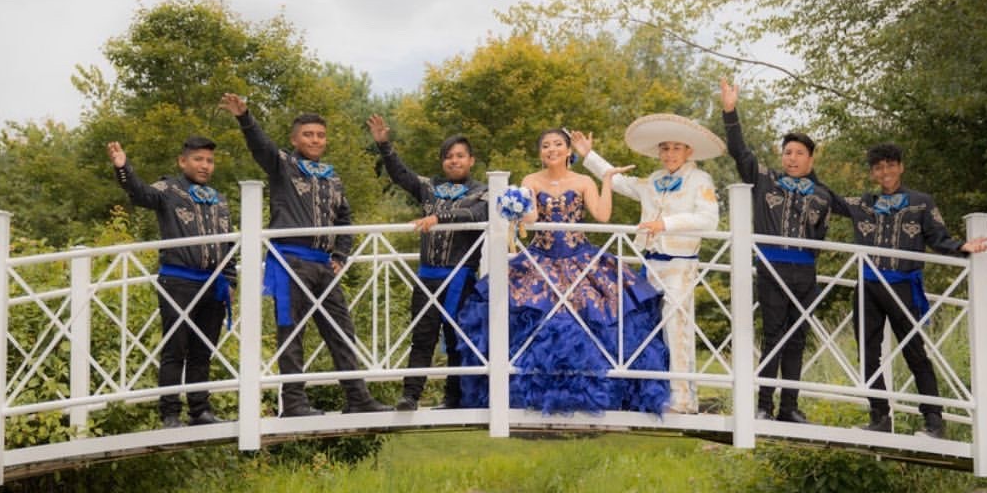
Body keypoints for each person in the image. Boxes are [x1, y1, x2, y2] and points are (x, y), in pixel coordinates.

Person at [455, 127, 671, 415]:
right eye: (546, 145)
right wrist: (515, 206)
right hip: (540, 259)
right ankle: (525, 393)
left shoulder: (583, 181)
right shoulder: (531, 180)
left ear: (569, 151)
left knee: (598, 316)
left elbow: (602, 215)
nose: (552, 149)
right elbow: (531, 220)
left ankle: (597, 392)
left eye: (558, 144)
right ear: (540, 153)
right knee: (517, 312)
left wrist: (606, 180)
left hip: (579, 258)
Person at [219, 92, 392, 416]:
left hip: (323, 264)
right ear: (294, 139)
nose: (315, 139)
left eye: (320, 135)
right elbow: (261, 147)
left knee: (341, 329)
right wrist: (245, 118)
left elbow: (344, 217)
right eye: (308, 134)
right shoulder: (283, 164)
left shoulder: (332, 177)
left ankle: (357, 397)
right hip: (289, 261)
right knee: (292, 328)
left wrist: (341, 254)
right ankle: (295, 403)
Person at [828, 142, 987, 438]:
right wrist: (804, 168)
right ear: (872, 173)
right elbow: (829, 199)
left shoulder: (921, 202)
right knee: (868, 354)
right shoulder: (863, 204)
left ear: (901, 167)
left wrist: (962, 247)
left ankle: (933, 421)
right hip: (868, 287)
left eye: (891, 165)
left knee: (915, 353)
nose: (886, 171)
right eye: (879, 167)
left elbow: (938, 237)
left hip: (903, 286)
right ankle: (880, 417)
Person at [571, 114, 724, 414]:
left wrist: (665, 223)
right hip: (650, 264)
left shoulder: (699, 180)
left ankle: (683, 398)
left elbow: (709, 220)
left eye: (676, 148)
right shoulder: (654, 180)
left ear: (688, 151)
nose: (669, 154)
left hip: (680, 263)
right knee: (648, 328)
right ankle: (652, 395)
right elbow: (621, 184)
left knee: (676, 327)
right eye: (664, 148)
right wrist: (589, 156)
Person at [720, 78, 834, 423]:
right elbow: (740, 152)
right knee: (774, 335)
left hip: (805, 272)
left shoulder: (823, 194)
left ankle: (790, 407)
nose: (792, 158)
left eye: (799, 153)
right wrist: (730, 111)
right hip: (771, 266)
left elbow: (827, 232)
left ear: (811, 158)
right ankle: (764, 405)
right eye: (788, 152)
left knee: (798, 338)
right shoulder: (765, 178)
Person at [107, 137, 235, 428]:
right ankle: (170, 414)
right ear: (183, 161)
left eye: (209, 161)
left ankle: (200, 411)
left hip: (213, 284)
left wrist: (230, 280)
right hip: (179, 280)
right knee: (176, 348)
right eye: (198, 159)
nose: (204, 165)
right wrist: (122, 167)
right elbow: (141, 195)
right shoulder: (169, 189)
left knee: (203, 350)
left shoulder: (220, 200)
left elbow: (229, 244)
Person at [367, 114, 489, 411]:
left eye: (460, 156)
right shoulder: (430, 188)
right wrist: (384, 145)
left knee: (456, 338)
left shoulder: (482, 192)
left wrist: (438, 218)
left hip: (460, 277)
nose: (454, 161)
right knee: (422, 337)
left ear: (471, 160)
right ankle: (410, 395)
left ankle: (454, 398)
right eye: (448, 157)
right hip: (427, 276)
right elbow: (401, 175)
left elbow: (473, 216)